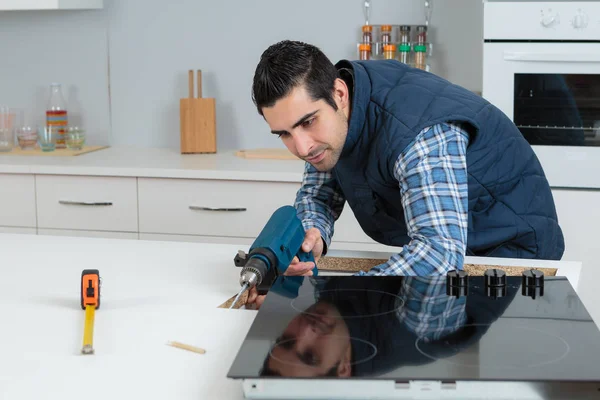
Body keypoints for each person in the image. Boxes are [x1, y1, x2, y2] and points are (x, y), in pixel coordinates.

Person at [246, 40, 564, 307]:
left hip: (511, 256)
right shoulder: (330, 119)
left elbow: (438, 254)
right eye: (284, 134)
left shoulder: (418, 134)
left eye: (307, 122)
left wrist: (333, 302)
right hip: (454, 250)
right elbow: (319, 193)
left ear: (339, 95)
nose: (301, 147)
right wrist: (312, 234)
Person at [256, 275, 519, 378]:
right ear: (344, 369)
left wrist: (279, 283)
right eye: (311, 355)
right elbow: (440, 252)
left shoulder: (339, 316)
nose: (305, 333)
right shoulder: (416, 327)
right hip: (508, 233)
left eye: (286, 341)